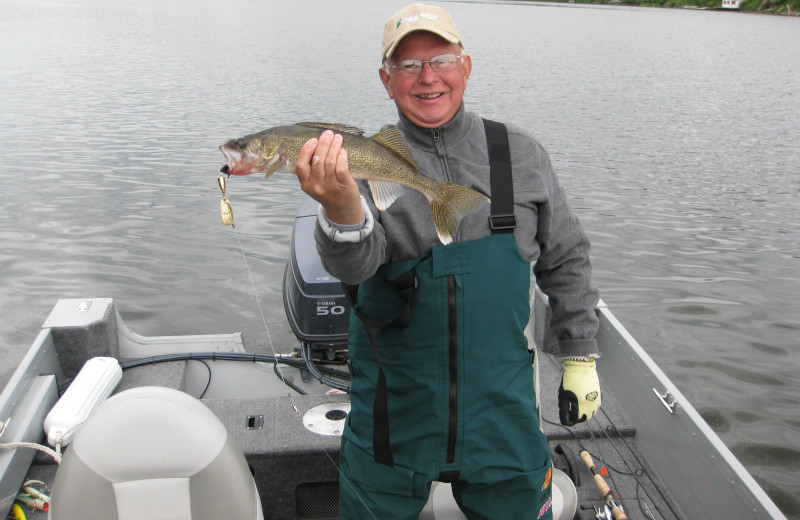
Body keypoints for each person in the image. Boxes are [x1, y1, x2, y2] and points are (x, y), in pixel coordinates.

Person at [294, 3, 601, 519]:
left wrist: (580, 355)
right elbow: (353, 269)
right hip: (392, 410)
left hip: (501, 411)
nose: (428, 78)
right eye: (408, 66)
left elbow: (566, 258)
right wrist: (342, 209)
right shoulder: (355, 162)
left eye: (441, 59)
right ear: (386, 81)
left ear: (467, 67)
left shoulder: (521, 155)